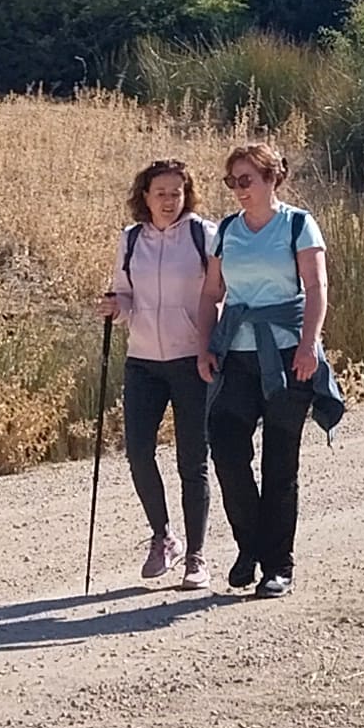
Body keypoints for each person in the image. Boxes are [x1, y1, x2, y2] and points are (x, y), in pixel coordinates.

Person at [204, 140, 331, 596]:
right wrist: (206, 346)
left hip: (285, 354)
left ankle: (278, 565)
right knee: (226, 449)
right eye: (232, 182)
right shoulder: (227, 230)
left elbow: (316, 288)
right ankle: (250, 546)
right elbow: (211, 294)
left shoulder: (298, 225)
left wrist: (308, 346)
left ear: (271, 178)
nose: (239, 190)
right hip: (236, 354)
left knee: (281, 463)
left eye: (247, 180)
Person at [105, 156, 223, 588]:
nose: (170, 200)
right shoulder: (132, 239)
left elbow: (218, 291)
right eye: (161, 193)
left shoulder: (202, 234)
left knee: (192, 460)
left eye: (176, 192)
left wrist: (209, 343)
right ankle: (163, 538)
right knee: (138, 453)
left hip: (192, 360)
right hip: (142, 361)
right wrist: (115, 308)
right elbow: (125, 293)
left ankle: (196, 556)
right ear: (145, 196)